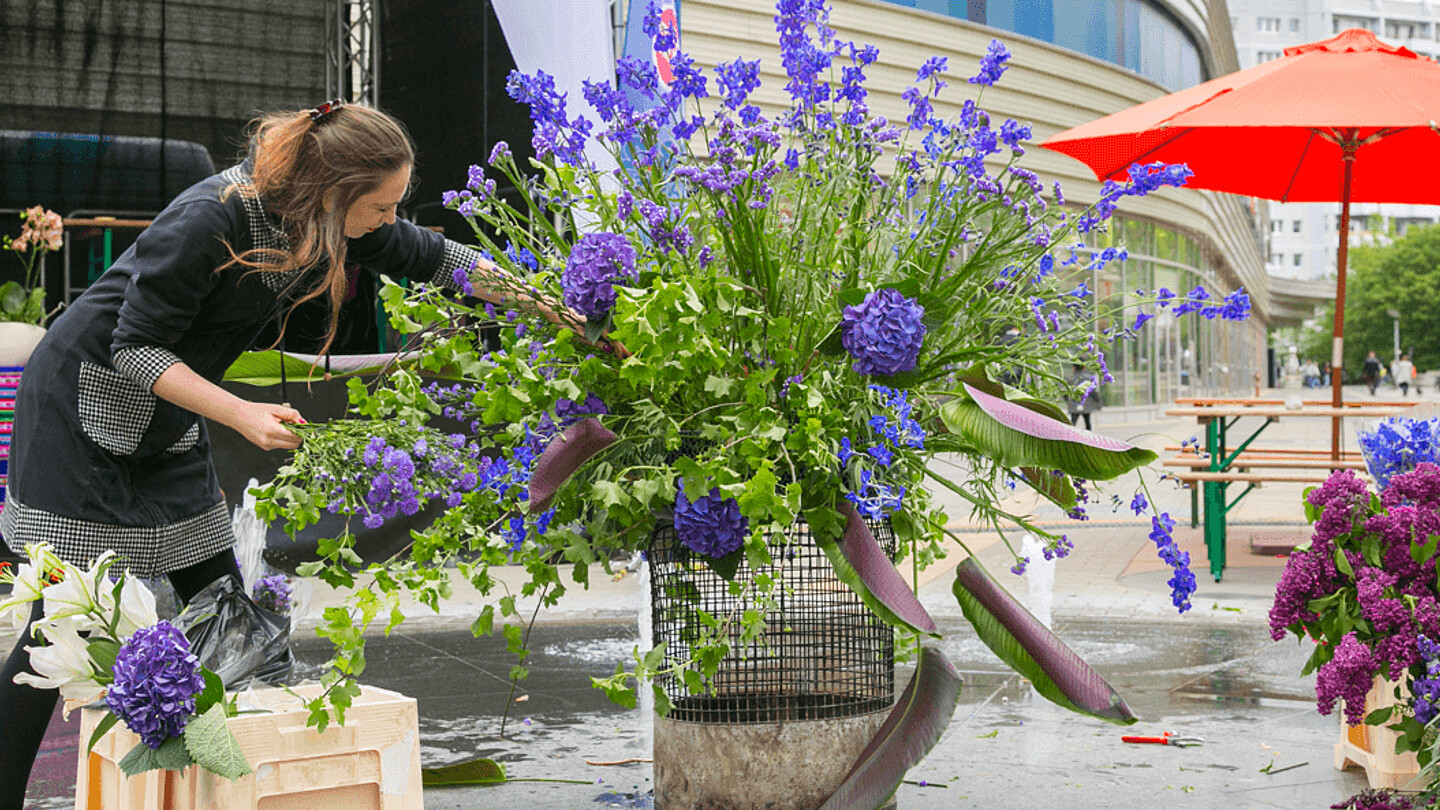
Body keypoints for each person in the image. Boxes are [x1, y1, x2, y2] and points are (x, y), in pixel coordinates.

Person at [0, 101, 542, 808]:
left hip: (167, 415)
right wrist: (241, 412)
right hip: (82, 413)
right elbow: (134, 346)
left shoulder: (324, 217)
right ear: (334, 189)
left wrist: (553, 308)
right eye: (379, 205)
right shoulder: (212, 217)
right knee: (62, 621)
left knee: (227, 615)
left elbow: (435, 257)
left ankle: (251, 787)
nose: (388, 218)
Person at [1065, 363, 1100, 430]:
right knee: (1088, 424)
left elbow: (1065, 392)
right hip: (1087, 405)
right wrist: (1097, 401)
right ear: (1084, 367)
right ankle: (1089, 439)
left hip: (1074, 405)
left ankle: (1071, 438)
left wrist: (1067, 400)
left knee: (1072, 424)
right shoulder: (1088, 377)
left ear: (1073, 367)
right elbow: (1093, 391)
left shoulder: (1070, 378)